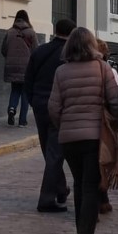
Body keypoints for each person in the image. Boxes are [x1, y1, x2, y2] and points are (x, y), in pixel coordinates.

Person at [48, 28, 118, 234]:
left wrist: (64, 125)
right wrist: (115, 126)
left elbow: (54, 108)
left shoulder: (61, 72)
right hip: (95, 136)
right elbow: (116, 101)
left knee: (80, 184)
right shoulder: (102, 68)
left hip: (69, 139)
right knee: (90, 187)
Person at [24, 18, 73, 213]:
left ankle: (60, 189)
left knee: (49, 151)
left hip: (40, 105)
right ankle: (46, 198)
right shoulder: (70, 54)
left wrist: (33, 100)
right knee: (54, 154)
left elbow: (28, 79)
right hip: (59, 107)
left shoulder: (40, 51)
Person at [92, 38, 118, 214]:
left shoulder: (71, 68)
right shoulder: (109, 71)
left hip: (84, 128)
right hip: (105, 126)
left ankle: (95, 202)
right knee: (103, 162)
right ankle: (100, 199)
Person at [0, 9, 37, 127]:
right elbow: (35, 51)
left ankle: (11, 108)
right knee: (25, 94)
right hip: (26, 67)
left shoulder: (9, 32)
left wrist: (11, 58)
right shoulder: (31, 32)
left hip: (11, 67)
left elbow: (3, 50)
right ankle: (22, 121)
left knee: (15, 90)